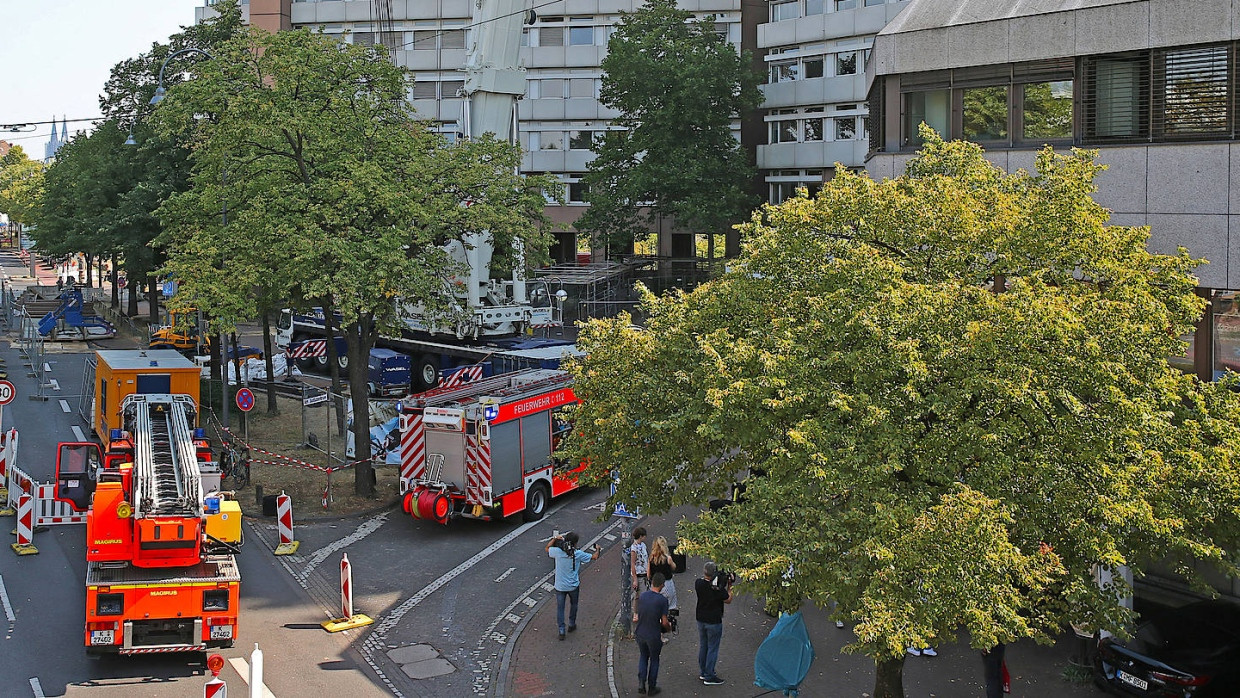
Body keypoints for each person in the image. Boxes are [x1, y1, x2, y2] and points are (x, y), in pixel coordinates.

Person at [545, 531, 600, 640]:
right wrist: (598, 549)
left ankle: (561, 630)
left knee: (560, 608)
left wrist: (555, 538)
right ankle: (571, 624)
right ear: (575, 543)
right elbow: (594, 557)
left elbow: (547, 548)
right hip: (573, 585)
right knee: (574, 604)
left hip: (560, 586)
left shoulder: (558, 552)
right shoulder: (578, 554)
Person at [695, 561, 734, 686]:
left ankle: (703, 671)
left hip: (701, 619)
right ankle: (709, 675)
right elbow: (728, 599)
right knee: (713, 648)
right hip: (714, 620)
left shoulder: (698, 583)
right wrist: (730, 586)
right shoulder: (717, 589)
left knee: (704, 646)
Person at [635, 572, 671, 695]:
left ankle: (641, 682)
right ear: (662, 585)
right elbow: (664, 621)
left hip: (640, 632)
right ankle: (652, 687)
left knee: (643, 656)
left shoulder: (643, 596)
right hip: (653, 635)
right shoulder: (662, 600)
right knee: (654, 659)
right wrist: (668, 628)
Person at [647, 536, 679, 626]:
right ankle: (667, 625)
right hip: (667, 584)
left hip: (655, 585)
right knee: (670, 606)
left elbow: (648, 574)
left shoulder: (651, 558)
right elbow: (674, 567)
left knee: (657, 608)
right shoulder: (667, 558)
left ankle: (658, 628)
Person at [629, 527, 649, 624]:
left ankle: (641, 613)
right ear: (641, 536)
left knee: (643, 594)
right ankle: (636, 613)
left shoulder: (643, 545)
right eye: (644, 536)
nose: (645, 537)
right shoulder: (634, 548)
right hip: (639, 574)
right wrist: (635, 579)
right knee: (639, 595)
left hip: (645, 573)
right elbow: (633, 564)